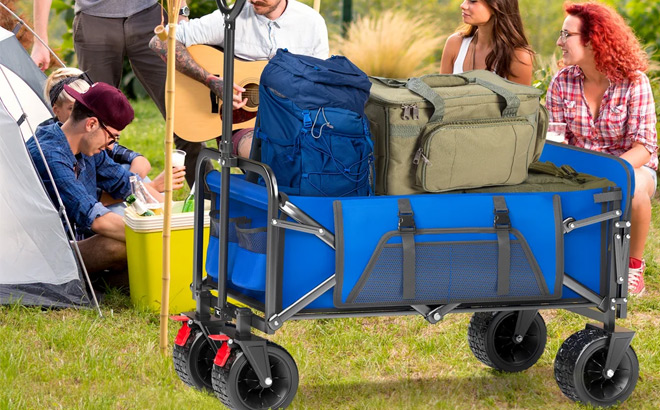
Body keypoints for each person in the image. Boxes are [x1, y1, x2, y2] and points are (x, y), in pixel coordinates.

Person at [545, 2, 658, 296]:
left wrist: (609, 172)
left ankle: (633, 268)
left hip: (630, 166)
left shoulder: (634, 82)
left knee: (633, 191)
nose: (559, 42)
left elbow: (644, 146)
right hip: (577, 169)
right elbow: (555, 140)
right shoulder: (561, 81)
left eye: (566, 34)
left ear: (594, 39)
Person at [30, 0, 202, 187]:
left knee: (185, 115)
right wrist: (40, 40)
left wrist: (182, 14)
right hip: (94, 21)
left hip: (151, 18)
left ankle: (210, 201)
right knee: (91, 122)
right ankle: (98, 200)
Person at [26, 82, 183, 275]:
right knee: (118, 246)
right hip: (50, 252)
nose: (111, 146)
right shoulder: (49, 155)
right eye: (112, 138)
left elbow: (128, 184)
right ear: (91, 124)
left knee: (134, 244)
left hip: (80, 239)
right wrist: (163, 236)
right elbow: (96, 219)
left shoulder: (86, 145)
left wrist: (177, 219)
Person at [149, 0, 329, 158]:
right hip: (241, 126)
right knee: (270, 153)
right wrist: (210, 80)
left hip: (292, 122)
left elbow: (319, 83)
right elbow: (160, 42)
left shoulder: (311, 23)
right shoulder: (231, 17)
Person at [45, 67, 151, 179]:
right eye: (73, 107)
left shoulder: (92, 137)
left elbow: (137, 163)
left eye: (85, 105)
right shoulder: (52, 148)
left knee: (128, 170)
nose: (80, 111)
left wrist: (133, 186)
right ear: (56, 110)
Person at [439, 0, 534, 85]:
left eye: (473, 1)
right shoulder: (455, 44)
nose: (463, 5)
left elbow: (520, 103)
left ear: (496, 6)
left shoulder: (519, 57)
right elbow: (440, 96)